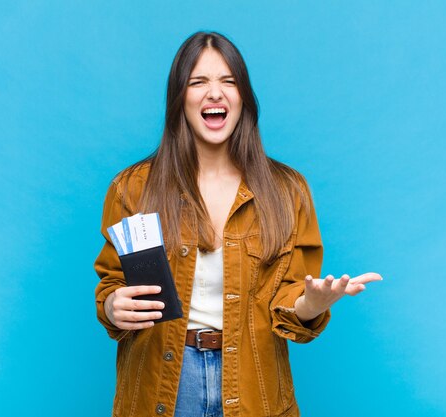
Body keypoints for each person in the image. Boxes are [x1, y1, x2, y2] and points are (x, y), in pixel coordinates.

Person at [94, 31, 382, 417]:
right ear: (180, 98)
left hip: (252, 385)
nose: (215, 93)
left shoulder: (287, 191)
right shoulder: (133, 187)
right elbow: (113, 283)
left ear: (243, 96)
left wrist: (311, 304)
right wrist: (113, 306)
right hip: (163, 386)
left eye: (228, 81)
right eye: (199, 82)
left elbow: (291, 295)